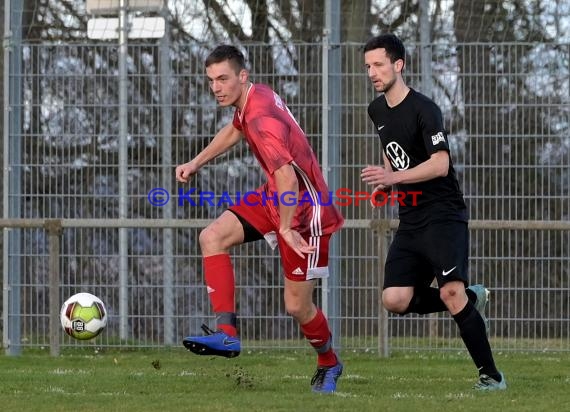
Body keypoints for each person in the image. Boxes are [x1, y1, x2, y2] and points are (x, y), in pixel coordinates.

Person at [175, 45, 344, 394]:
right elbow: (235, 130)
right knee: (212, 237)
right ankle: (228, 335)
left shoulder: (261, 118)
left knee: (296, 305)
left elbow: (288, 178)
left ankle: (329, 361)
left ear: (242, 76)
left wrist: (284, 227)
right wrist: (196, 162)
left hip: (304, 212)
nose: (216, 87)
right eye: (211, 81)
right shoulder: (254, 96)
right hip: (275, 197)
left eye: (223, 79)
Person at [361, 33, 507, 391]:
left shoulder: (426, 109)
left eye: (379, 64)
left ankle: (492, 377)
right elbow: (391, 150)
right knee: (394, 299)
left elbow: (441, 164)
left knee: (449, 293)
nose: (372, 72)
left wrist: (394, 176)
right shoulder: (376, 109)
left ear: (399, 65)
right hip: (410, 219)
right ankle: (473, 298)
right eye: (368, 66)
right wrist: (386, 184)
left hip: (443, 215)